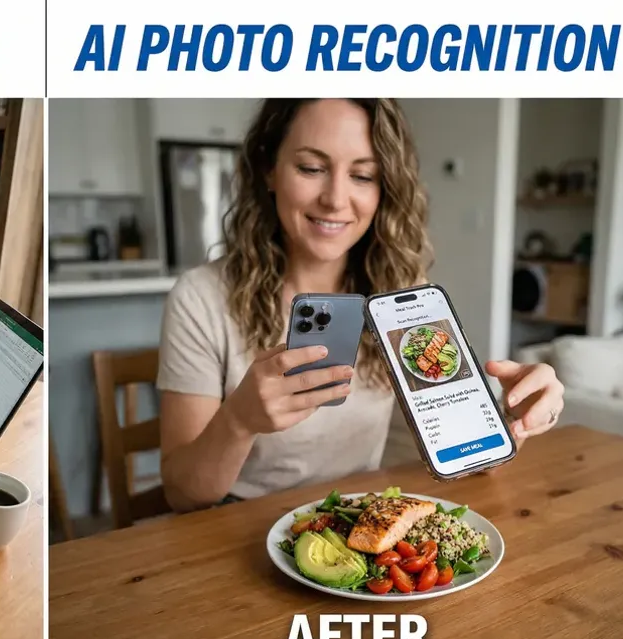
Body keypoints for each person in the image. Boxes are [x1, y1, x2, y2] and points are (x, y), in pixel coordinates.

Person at [157, 99, 565, 513]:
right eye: (311, 168)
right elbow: (182, 493)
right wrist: (238, 422)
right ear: (269, 168)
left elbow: (467, 458)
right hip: (233, 528)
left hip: (355, 522)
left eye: (363, 175)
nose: (336, 199)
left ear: (384, 187)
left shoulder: (400, 294)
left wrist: (514, 421)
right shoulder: (200, 298)